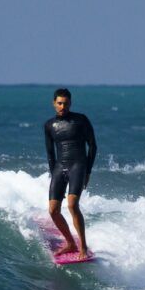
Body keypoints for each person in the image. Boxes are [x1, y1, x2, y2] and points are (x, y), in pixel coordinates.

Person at [44, 88, 97, 258]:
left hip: (78, 165)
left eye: (65, 103)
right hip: (60, 167)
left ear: (70, 103)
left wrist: (88, 171)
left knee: (73, 205)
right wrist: (54, 176)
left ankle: (83, 247)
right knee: (53, 210)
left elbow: (93, 146)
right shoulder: (49, 125)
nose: (62, 106)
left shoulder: (81, 120)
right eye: (59, 103)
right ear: (54, 103)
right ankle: (70, 243)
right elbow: (50, 153)